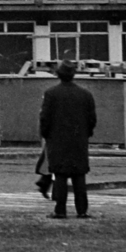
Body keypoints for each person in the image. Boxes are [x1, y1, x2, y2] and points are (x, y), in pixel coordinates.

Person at [39, 60, 97, 220]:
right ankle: (82, 210)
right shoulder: (85, 94)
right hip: (79, 140)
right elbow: (92, 118)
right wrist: (86, 134)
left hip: (57, 140)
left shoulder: (51, 93)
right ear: (73, 75)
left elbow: (45, 118)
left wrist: (47, 135)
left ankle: (60, 210)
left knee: (60, 175)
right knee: (79, 175)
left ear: (58, 74)